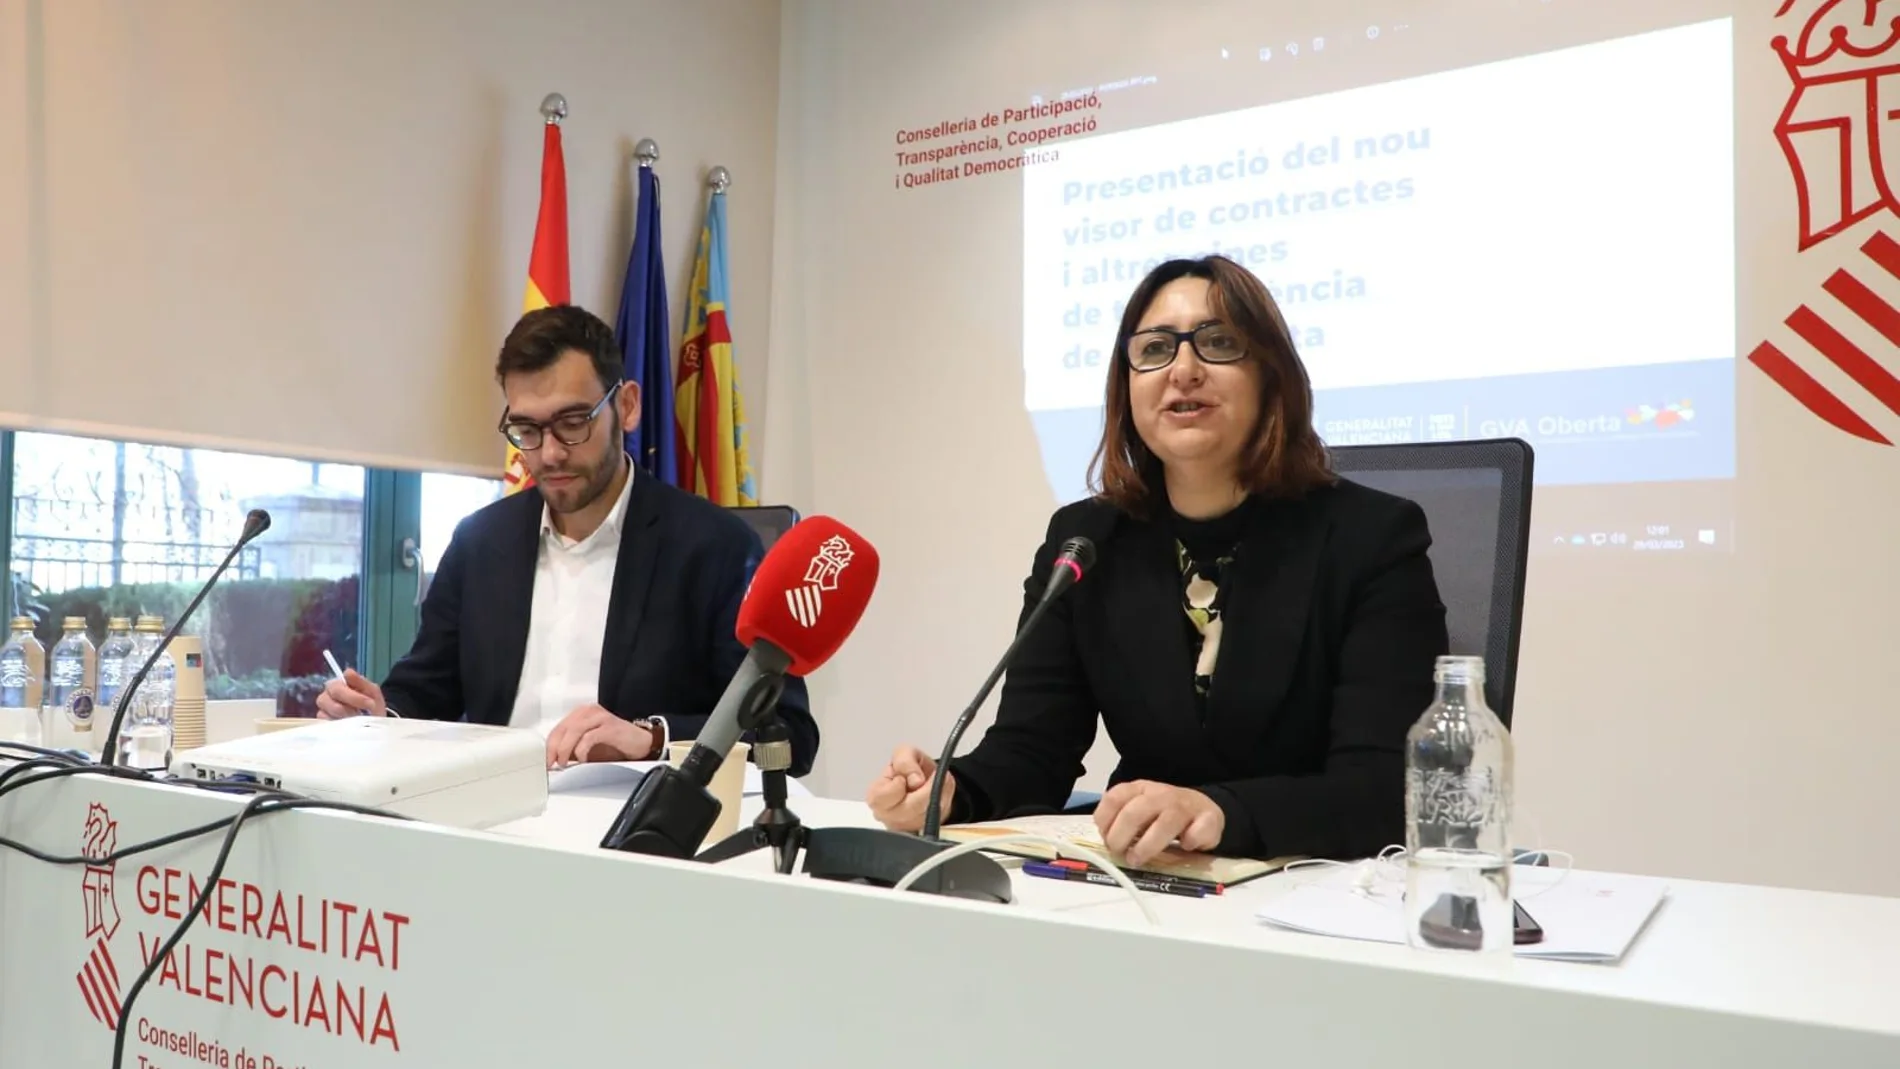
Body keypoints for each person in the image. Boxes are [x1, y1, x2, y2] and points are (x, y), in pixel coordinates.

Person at [866, 255, 1447, 864]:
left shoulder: (1371, 536)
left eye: (1218, 343)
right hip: (1140, 882)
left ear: (1272, 376)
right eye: (1155, 349)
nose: (1184, 370)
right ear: (1127, 386)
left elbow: (1387, 791)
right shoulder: (1087, 540)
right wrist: (954, 790)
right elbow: (1034, 749)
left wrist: (1219, 812)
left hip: (1312, 886)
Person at [317, 304, 818, 776]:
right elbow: (427, 690)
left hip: (632, 833)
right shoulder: (480, 542)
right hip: (488, 817)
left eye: (573, 423)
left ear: (626, 406)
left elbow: (788, 737)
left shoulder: (716, 548)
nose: (550, 453)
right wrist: (378, 716)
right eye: (526, 429)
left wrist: (651, 739)